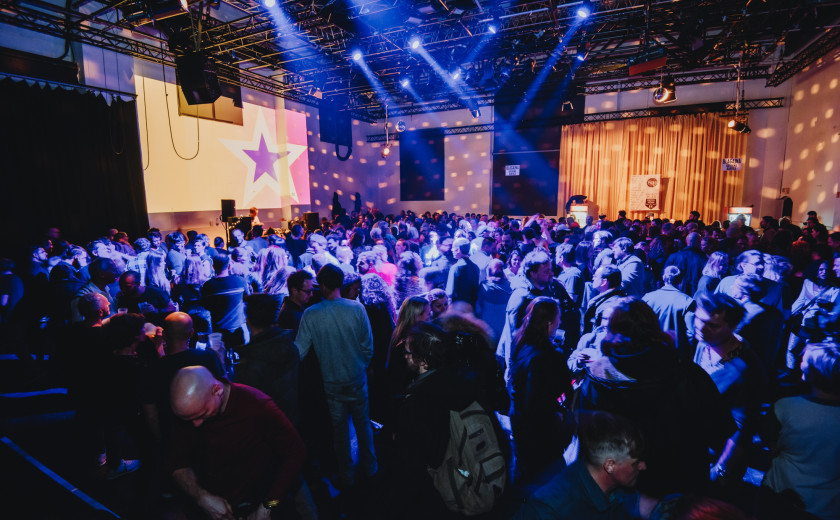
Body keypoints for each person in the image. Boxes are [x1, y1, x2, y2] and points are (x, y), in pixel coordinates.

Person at [389, 322, 507, 519]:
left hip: (442, 498)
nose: (405, 356)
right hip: (475, 482)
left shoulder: (417, 403)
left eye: (408, 352)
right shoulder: (467, 382)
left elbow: (412, 464)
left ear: (423, 361)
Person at [169, 366, 306, 520]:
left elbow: (296, 453)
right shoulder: (190, 411)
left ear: (217, 390)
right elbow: (177, 463)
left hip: (255, 503)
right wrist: (201, 497)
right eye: (189, 420)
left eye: (202, 414)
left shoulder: (258, 405)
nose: (196, 424)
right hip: (209, 506)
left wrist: (269, 506)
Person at [294, 264, 377, 488]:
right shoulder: (356, 308)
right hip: (357, 378)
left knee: (340, 432)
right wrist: (360, 366)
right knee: (363, 424)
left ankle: (347, 476)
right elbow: (368, 346)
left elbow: (299, 351)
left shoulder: (311, 314)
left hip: (331, 383)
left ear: (322, 285)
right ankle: (371, 468)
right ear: (340, 283)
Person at [513, 411, 657, 520]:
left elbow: (634, 503)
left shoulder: (612, 484)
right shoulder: (554, 506)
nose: (643, 466)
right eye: (636, 463)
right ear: (610, 466)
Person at [760, 342, 840, 520]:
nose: (800, 362)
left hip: (781, 495)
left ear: (814, 373)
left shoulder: (785, 407)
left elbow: (771, 446)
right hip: (829, 508)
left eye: (805, 360)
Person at [693, 293, 766, 486]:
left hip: (718, 456)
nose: (701, 328)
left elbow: (742, 428)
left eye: (713, 325)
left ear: (732, 327)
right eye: (698, 319)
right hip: (698, 446)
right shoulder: (704, 343)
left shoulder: (745, 369)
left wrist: (721, 469)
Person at [509, 297, 572, 487]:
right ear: (549, 322)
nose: (560, 321)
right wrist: (559, 415)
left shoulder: (520, 340)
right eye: (558, 317)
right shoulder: (545, 356)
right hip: (540, 431)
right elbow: (538, 399)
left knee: (524, 469)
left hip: (520, 420)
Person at [236, 294, 300, 425]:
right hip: (292, 421)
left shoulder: (249, 364)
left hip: (268, 427)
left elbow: (245, 406)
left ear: (248, 321)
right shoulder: (290, 346)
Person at [642, 266, 696, 360]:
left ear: (663, 278)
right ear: (682, 280)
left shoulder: (647, 298)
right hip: (677, 355)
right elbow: (691, 333)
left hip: (651, 352)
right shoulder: (688, 301)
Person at [201, 253, 248, 347]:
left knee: (221, 354)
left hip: (218, 329)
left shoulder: (208, 285)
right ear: (229, 266)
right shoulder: (240, 281)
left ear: (213, 267)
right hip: (238, 328)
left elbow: (206, 306)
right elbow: (247, 299)